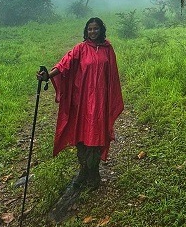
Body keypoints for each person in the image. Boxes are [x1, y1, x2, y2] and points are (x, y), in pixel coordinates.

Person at [37, 17, 123, 191]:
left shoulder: (108, 49)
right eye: (90, 29)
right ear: (86, 30)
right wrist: (48, 76)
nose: (93, 32)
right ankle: (83, 172)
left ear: (101, 30)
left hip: (100, 101)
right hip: (82, 100)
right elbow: (63, 65)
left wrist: (110, 101)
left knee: (96, 135)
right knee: (81, 135)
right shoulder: (80, 48)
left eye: (96, 28)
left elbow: (113, 76)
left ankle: (94, 174)